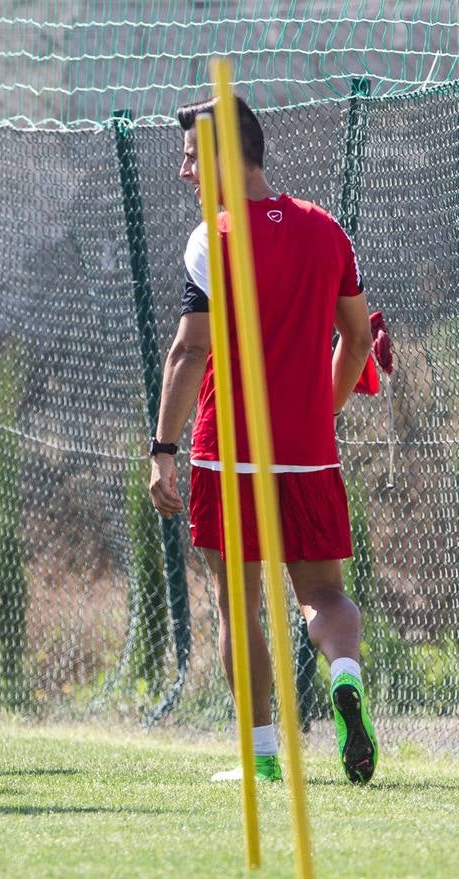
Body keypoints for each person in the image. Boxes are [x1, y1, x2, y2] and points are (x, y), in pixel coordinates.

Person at [149, 95, 379, 785]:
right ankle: (343, 672)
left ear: (223, 156)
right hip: (308, 452)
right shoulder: (326, 229)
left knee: (237, 605)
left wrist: (163, 446)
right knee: (325, 598)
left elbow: (191, 352)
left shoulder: (210, 237)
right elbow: (360, 338)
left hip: (229, 452)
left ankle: (262, 758)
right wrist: (322, 409)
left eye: (192, 156)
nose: (184, 171)